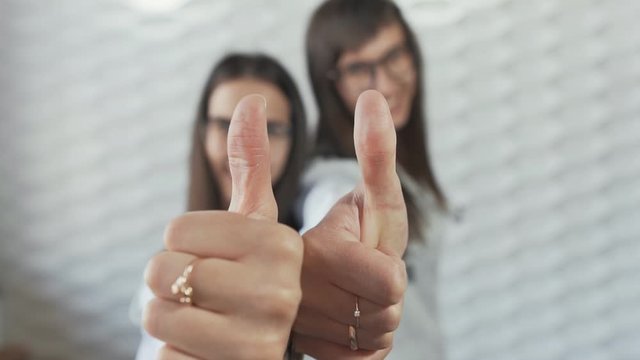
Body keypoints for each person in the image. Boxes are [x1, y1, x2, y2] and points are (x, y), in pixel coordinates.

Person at [295, 0, 448, 358]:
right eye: (359, 68)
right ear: (328, 84)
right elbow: (332, 215)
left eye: (394, 55)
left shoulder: (406, 167)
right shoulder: (335, 180)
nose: (385, 84)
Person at [136, 53, 308, 359]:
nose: (243, 145)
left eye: (272, 129)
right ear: (203, 133)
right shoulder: (166, 274)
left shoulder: (316, 262)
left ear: (296, 140)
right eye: (224, 124)